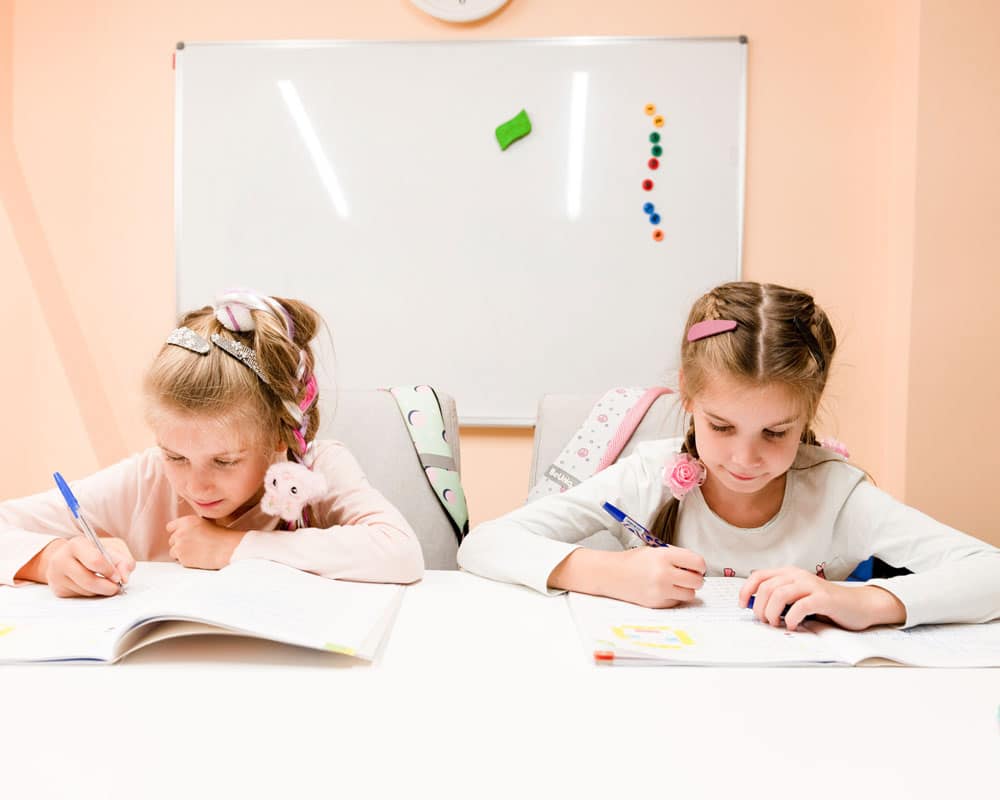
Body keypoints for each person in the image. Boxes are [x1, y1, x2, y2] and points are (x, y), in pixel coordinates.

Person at [458, 281, 1000, 630]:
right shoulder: (650, 476)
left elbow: (990, 573)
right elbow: (484, 544)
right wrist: (607, 572)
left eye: (775, 432)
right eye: (721, 426)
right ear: (688, 399)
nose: (745, 457)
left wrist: (862, 602)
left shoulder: (835, 493)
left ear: (807, 418)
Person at [1, 290, 424, 595]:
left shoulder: (316, 470)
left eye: (224, 461)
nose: (196, 486)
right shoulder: (148, 479)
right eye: (176, 456)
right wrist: (50, 558)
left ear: (277, 439)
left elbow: (401, 552)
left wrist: (236, 547)